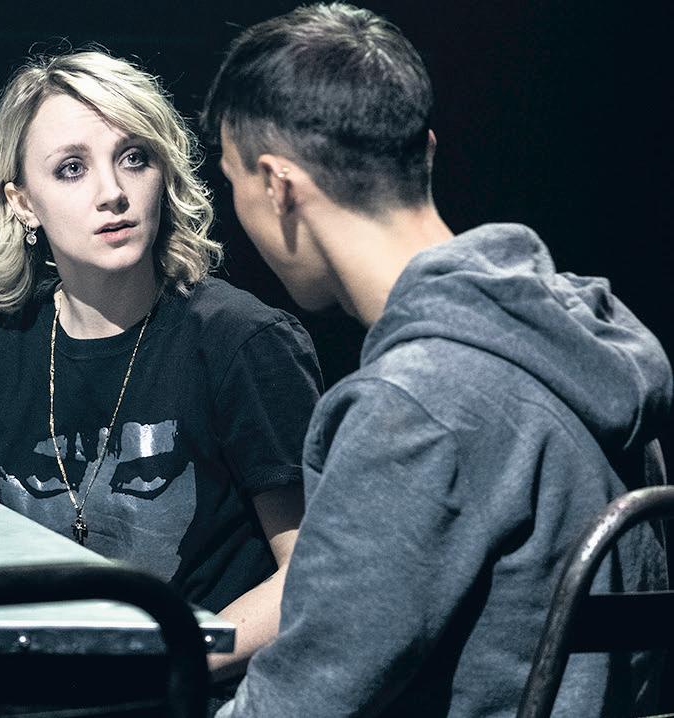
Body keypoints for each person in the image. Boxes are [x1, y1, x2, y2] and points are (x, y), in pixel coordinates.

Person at [201, 4, 673, 716]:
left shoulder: (414, 407)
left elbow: (299, 701)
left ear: (278, 186)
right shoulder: (583, 344)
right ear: (424, 150)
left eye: (232, 179)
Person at [0, 49, 323, 691]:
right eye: (71, 169)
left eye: (134, 157)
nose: (112, 192)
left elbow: (314, 571)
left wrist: (152, 667)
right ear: (23, 203)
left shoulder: (240, 341)